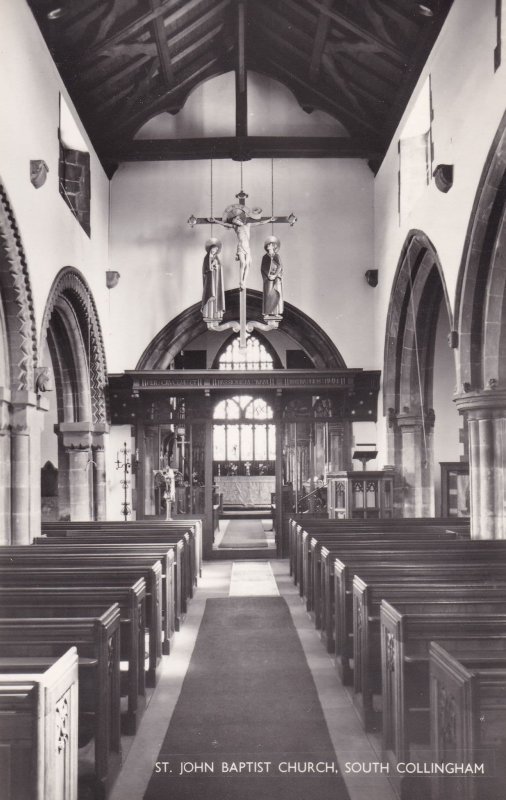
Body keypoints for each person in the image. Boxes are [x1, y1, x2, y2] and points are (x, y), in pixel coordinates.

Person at [211, 205, 275, 288]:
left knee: (248, 264)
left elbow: (260, 223)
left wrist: (269, 220)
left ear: (240, 219)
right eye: (234, 222)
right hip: (241, 247)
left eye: (237, 220)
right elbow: (224, 223)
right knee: (243, 263)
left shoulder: (248, 225)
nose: (236, 222)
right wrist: (215, 220)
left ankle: (244, 281)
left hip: (247, 248)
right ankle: (241, 281)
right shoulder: (235, 227)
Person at [201, 237, 225, 320]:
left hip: (216, 280)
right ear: (210, 249)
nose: (214, 251)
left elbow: (220, 267)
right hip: (209, 280)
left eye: (216, 250)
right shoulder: (206, 258)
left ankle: (216, 314)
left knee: (216, 295)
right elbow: (206, 269)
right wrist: (211, 267)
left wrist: (216, 265)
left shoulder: (216, 258)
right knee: (210, 294)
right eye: (213, 249)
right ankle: (208, 314)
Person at [261, 235, 283, 318]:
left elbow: (280, 267)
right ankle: (267, 312)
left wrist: (275, 275)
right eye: (267, 245)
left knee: (276, 293)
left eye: (269, 245)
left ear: (274, 247)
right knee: (269, 294)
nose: (268, 246)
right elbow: (263, 268)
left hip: (276, 278)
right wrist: (268, 275)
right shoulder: (265, 257)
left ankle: (276, 312)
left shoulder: (277, 256)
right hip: (268, 279)